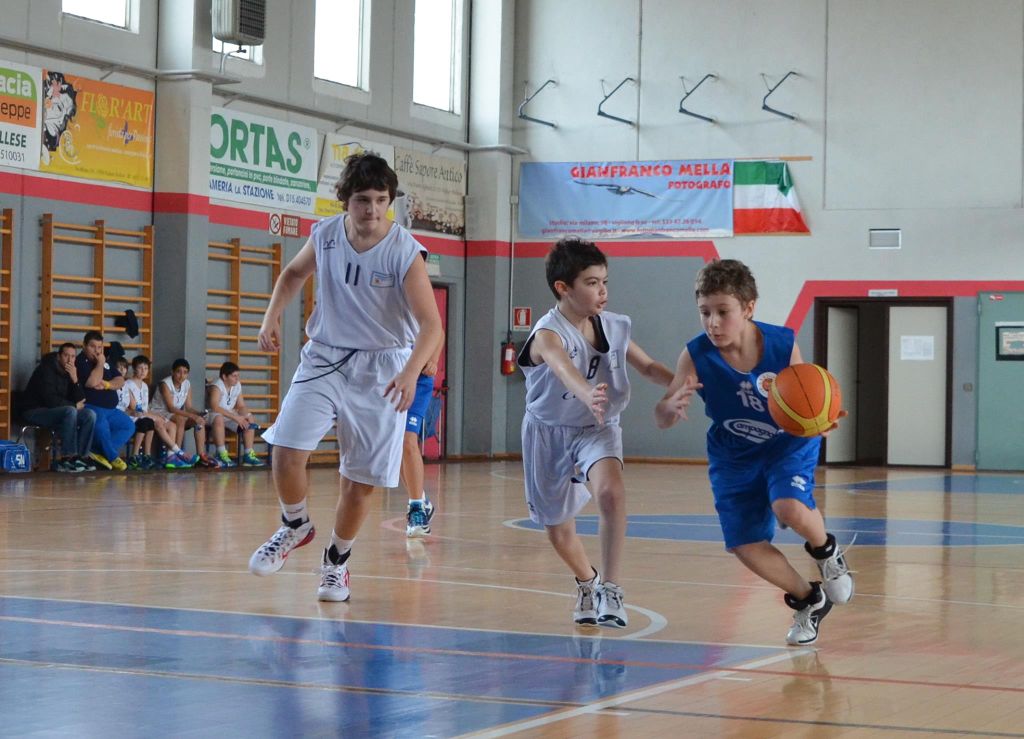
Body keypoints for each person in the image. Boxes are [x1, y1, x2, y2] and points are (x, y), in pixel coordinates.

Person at [247, 152, 443, 604]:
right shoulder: (326, 235)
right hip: (325, 357)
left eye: (381, 200)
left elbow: (432, 325)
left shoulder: (404, 251)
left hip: (383, 368)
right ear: (345, 201)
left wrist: (410, 372)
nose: (372, 210)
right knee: (285, 448)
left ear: (390, 201)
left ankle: (336, 562)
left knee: (360, 479)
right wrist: (270, 316)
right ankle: (295, 524)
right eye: (362, 200)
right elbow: (293, 273)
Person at [654, 259, 853, 646]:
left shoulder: (781, 344)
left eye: (722, 312)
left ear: (748, 308)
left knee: (788, 508)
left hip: (786, 441)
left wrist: (818, 421)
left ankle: (827, 553)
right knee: (743, 543)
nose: (712, 323)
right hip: (732, 452)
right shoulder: (695, 355)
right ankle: (809, 600)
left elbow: (805, 399)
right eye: (704, 312)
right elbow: (662, 418)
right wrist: (668, 407)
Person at [517, 238, 675, 628]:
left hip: (596, 428)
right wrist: (586, 392)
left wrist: (683, 384)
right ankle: (588, 581)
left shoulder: (612, 326)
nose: (602, 290)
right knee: (558, 530)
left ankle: (612, 590)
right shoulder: (547, 333)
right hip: (548, 432)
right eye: (591, 283)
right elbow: (561, 367)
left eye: (604, 281)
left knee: (611, 493)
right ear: (563, 288)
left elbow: (648, 366)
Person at [21, 342, 98, 472]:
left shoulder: (71, 372)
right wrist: (73, 405)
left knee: (90, 415)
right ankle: (67, 458)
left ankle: (81, 457)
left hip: (57, 411)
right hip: (34, 410)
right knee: (70, 411)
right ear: (59, 356)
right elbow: (50, 400)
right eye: (66, 356)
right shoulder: (45, 370)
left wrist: (75, 379)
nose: (69, 360)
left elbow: (81, 399)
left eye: (73, 356)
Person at [400, 330, 443, 537]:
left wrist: (433, 359)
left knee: (408, 440)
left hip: (418, 380)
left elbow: (438, 331)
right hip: (388, 377)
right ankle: (422, 500)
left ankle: (416, 508)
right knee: (395, 449)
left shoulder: (414, 309)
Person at [75, 331, 135, 471]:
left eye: (99, 347)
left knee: (128, 426)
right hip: (90, 407)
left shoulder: (106, 362)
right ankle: (113, 457)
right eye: (92, 346)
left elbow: (120, 380)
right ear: (84, 346)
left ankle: (97, 452)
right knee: (101, 425)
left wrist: (107, 384)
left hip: (111, 409)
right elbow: (91, 383)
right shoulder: (80, 361)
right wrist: (100, 363)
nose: (97, 351)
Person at [120, 355, 189, 470]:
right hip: (133, 415)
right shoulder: (128, 384)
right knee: (150, 422)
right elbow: (135, 407)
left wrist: (155, 416)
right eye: (140, 368)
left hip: (143, 414)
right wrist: (154, 416)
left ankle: (170, 456)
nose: (143, 371)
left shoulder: (145, 386)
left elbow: (145, 408)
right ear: (134, 369)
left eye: (146, 368)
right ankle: (175, 451)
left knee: (171, 425)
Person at [149, 358, 219, 468]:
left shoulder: (187, 384)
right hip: (158, 412)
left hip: (174, 414)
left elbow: (189, 407)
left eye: (185, 372)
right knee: (181, 419)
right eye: (178, 372)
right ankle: (177, 454)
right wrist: (193, 416)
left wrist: (199, 414)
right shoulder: (165, 384)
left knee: (199, 421)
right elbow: (171, 408)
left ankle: (201, 455)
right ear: (172, 372)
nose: (182, 375)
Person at [207, 361, 265, 467]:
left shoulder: (237, 385)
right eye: (234, 376)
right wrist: (236, 418)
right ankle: (221, 454)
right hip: (213, 415)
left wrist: (247, 415)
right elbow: (215, 407)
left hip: (228, 415)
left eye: (238, 376)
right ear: (224, 377)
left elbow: (241, 405)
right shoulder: (217, 385)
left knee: (248, 419)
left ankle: (248, 454)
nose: (237, 378)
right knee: (219, 418)